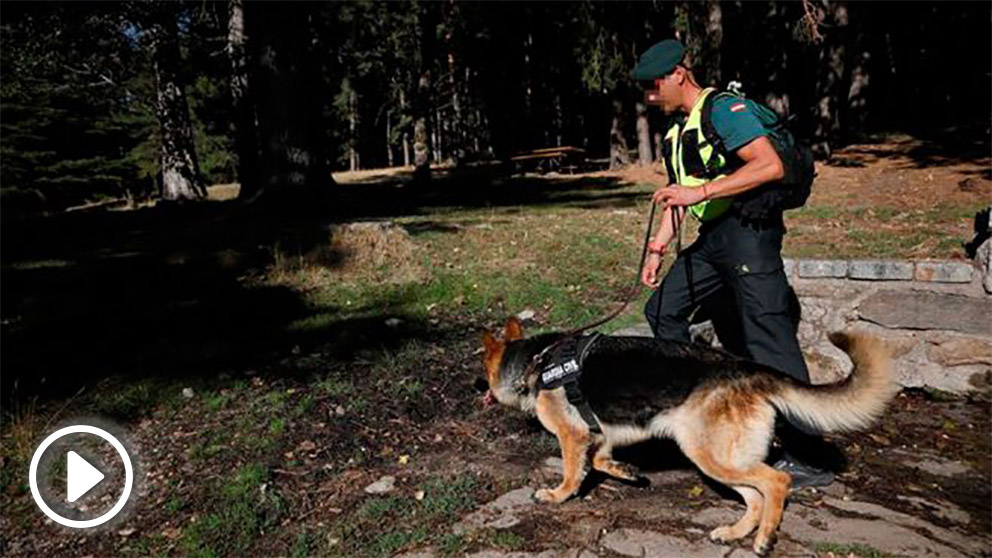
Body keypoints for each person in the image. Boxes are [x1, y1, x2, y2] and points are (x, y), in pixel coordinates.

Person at [632, 39, 835, 488]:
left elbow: (769, 166)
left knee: (769, 339)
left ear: (678, 75)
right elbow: (675, 196)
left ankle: (810, 455)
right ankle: (695, 412)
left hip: (750, 236)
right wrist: (656, 250)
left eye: (653, 86)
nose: (649, 96)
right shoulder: (677, 132)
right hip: (713, 241)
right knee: (663, 310)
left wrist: (699, 193)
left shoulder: (722, 109)